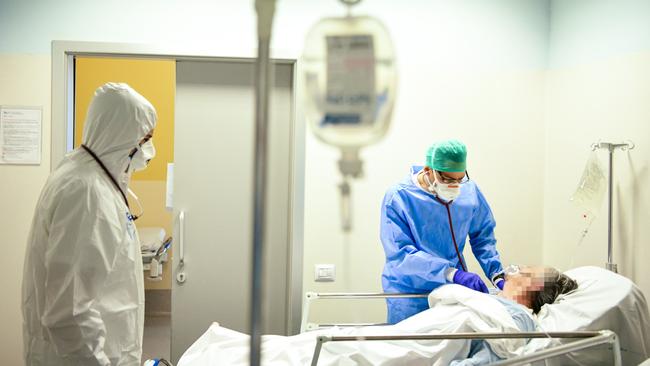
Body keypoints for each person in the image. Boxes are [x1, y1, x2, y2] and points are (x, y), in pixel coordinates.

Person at [22, 82, 157, 366]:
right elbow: (69, 312)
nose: (148, 149)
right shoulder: (87, 193)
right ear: (122, 135)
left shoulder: (84, 175)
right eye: (145, 139)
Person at [380, 139, 505, 324]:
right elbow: (401, 255)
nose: (454, 186)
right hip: (410, 291)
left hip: (453, 289)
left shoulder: (469, 191)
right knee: (411, 347)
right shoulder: (399, 197)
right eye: (447, 179)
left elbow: (483, 236)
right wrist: (451, 273)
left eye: (459, 179)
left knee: (454, 346)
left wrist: (497, 274)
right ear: (428, 170)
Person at [452, 266, 579, 365]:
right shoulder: (490, 294)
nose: (511, 272)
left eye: (523, 271)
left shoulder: (519, 317)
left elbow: (491, 358)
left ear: (533, 285)